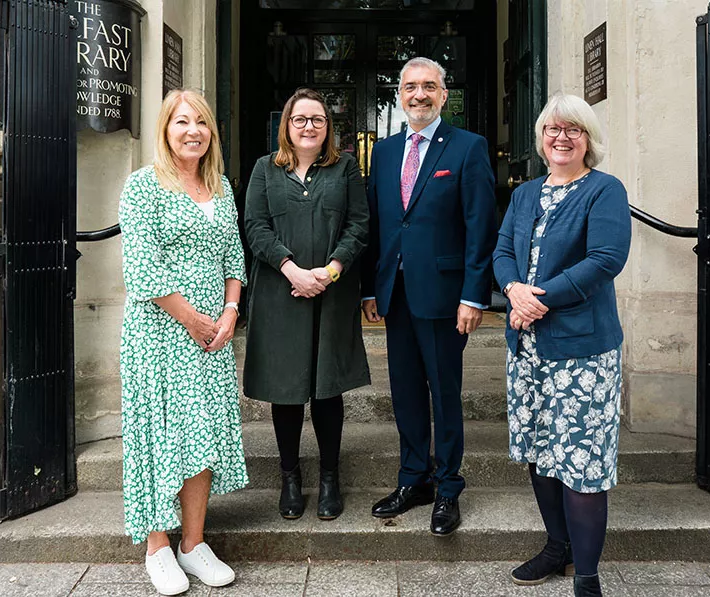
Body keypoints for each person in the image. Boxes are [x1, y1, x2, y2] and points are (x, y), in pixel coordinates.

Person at [492, 93, 631, 597]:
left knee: (582, 459)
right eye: (552, 129)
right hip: (527, 348)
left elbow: (605, 259)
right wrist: (511, 290)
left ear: (588, 138)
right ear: (541, 138)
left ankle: (588, 576)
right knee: (540, 448)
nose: (562, 137)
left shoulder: (604, 190)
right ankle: (557, 546)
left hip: (583, 351)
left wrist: (538, 299)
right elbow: (503, 250)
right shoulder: (526, 193)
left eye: (573, 129)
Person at [361, 57, 497, 536]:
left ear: (443, 94)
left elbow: (481, 228)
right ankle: (413, 479)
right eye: (410, 87)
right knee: (405, 393)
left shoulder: (467, 148)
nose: (419, 95)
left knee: (444, 392)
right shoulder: (383, 151)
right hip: (394, 295)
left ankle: (448, 487)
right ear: (399, 94)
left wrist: (474, 296)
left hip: (444, 295)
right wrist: (368, 289)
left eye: (429, 87)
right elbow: (378, 225)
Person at [118, 89, 246, 595]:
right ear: (165, 130)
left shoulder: (221, 185)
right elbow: (142, 266)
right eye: (181, 122)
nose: (192, 131)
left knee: (202, 434)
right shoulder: (143, 186)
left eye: (201, 123)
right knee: (158, 434)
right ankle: (158, 547)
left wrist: (231, 310)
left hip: (213, 334)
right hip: (159, 333)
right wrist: (193, 319)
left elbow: (234, 257)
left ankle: (193, 543)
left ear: (211, 133)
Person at [244, 88, 370, 521]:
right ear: (287, 126)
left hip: (331, 294)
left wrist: (329, 272)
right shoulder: (265, 169)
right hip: (282, 293)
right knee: (287, 390)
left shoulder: (346, 168)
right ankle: (290, 477)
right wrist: (292, 270)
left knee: (326, 388)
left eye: (317, 119)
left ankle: (331, 478)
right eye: (300, 119)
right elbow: (255, 227)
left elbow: (359, 225)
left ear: (327, 127)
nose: (309, 126)